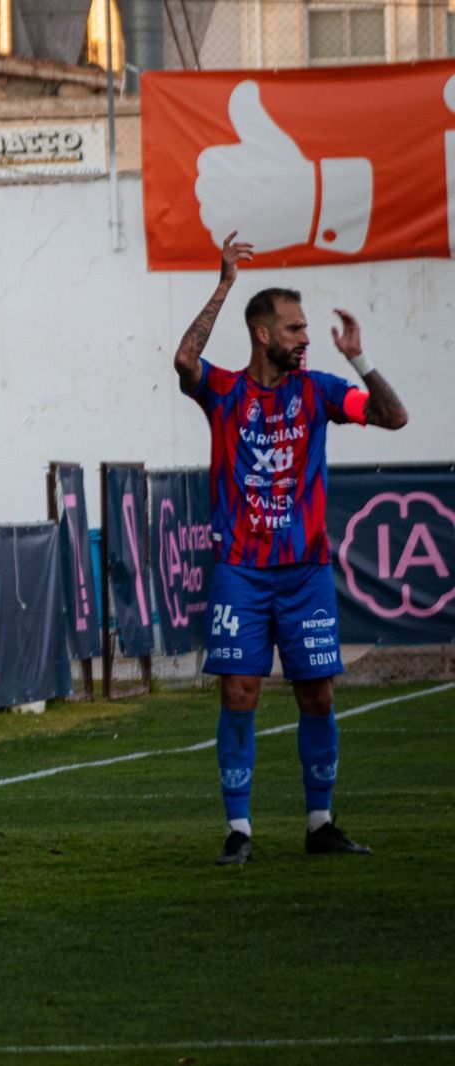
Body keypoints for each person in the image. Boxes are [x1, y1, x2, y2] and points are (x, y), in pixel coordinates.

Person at [175, 232, 409, 868]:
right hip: (240, 574)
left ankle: (320, 822)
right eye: (295, 327)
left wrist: (359, 360)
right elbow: (183, 361)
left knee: (318, 696)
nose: (306, 337)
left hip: (304, 574)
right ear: (262, 334)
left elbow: (394, 417)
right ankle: (240, 831)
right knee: (239, 694)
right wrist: (223, 284)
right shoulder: (223, 391)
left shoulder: (321, 391)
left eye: (306, 328)